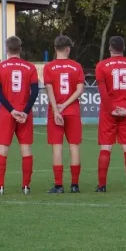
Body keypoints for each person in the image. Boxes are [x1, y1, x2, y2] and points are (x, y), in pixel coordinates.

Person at [0, 36, 39, 196]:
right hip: (25, 113)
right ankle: (26, 186)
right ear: (20, 48)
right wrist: (24, 111)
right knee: (26, 148)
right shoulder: (30, 67)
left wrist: (11, 110)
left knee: (3, 148)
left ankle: (0, 187)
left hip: (7, 113)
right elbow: (35, 92)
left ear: (7, 49)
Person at [95, 36, 126, 192]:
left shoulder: (101, 66)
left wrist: (111, 109)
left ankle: (101, 186)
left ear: (109, 48)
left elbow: (103, 92)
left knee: (106, 148)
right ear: (124, 48)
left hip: (109, 112)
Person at [43, 35, 85, 193]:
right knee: (74, 147)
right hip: (72, 110)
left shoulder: (49, 67)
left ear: (55, 49)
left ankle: (59, 185)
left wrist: (56, 109)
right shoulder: (76, 66)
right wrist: (66, 105)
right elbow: (80, 90)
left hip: (56, 112)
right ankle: (75, 185)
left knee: (57, 147)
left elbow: (49, 89)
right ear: (68, 49)